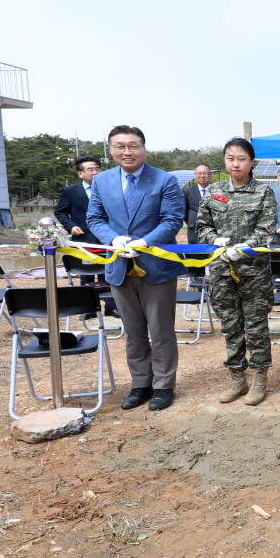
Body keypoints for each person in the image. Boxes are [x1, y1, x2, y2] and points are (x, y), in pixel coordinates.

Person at [87, 125, 185, 411]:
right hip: (119, 266)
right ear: (111, 149)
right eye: (120, 146)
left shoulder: (164, 180)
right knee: (133, 331)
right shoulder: (102, 181)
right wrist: (112, 238)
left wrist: (144, 242)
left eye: (133, 146)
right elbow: (95, 218)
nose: (126, 152)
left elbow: (172, 220)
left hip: (155, 266)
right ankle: (140, 383)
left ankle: (163, 386)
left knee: (161, 330)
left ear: (144, 148)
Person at [196, 138, 278, 406]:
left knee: (255, 326)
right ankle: (236, 378)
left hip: (253, 272)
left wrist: (247, 246)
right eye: (230, 158)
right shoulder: (214, 190)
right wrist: (213, 239)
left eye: (241, 158)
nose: (235, 163)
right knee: (230, 326)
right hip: (221, 270)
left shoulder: (263, 191)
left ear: (251, 162)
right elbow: (202, 225)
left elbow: (266, 229)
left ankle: (259, 378)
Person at [54, 156, 101, 243]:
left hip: (110, 239)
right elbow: (60, 212)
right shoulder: (70, 191)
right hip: (84, 238)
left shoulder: (110, 189)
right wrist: (71, 226)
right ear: (80, 174)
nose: (95, 173)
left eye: (97, 169)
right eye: (90, 170)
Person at [183, 164, 214, 244]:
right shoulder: (187, 191)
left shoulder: (217, 190)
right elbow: (185, 212)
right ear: (195, 175)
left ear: (210, 175)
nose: (202, 176)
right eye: (199, 173)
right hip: (194, 230)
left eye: (205, 173)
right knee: (195, 254)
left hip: (214, 230)